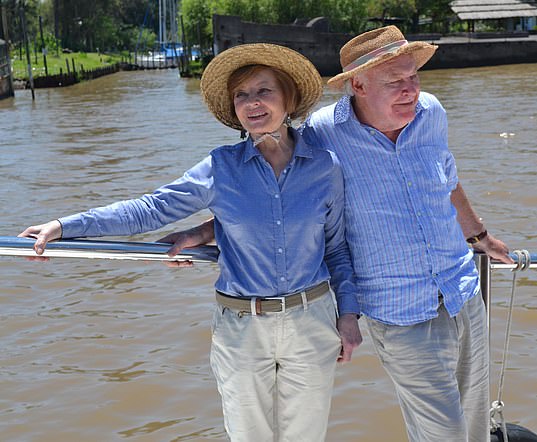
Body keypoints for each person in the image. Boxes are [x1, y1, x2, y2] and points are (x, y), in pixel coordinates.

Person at [165, 26, 515, 442]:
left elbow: (449, 180)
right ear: (358, 85)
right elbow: (282, 191)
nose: (411, 90)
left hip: (462, 290)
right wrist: (212, 228)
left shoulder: (432, 113)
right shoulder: (322, 134)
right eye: (395, 82)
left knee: (474, 423)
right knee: (445, 433)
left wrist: (480, 238)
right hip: (399, 308)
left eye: (414, 77)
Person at [19, 43, 362, 442]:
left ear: (288, 98)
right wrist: (64, 226)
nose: (252, 103)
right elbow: (148, 209)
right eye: (241, 95)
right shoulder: (219, 168)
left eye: (263, 91)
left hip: (312, 320)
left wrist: (349, 314)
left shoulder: (325, 167)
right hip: (241, 327)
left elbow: (337, 249)